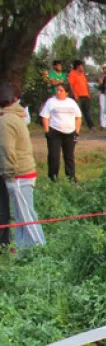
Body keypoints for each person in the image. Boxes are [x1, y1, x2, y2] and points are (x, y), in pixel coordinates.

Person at [0, 83, 46, 249]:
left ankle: (40, 249)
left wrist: (8, 173)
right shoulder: (15, 117)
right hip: (22, 172)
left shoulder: (6, 120)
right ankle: (23, 251)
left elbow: (7, 149)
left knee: (27, 216)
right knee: (20, 216)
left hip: (19, 174)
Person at [40, 84, 81, 182]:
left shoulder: (72, 103)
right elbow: (45, 117)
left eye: (61, 90)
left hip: (70, 133)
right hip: (55, 132)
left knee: (69, 156)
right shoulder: (51, 102)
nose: (58, 92)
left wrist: (77, 132)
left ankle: (71, 177)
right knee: (54, 156)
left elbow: (78, 117)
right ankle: (53, 178)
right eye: (57, 90)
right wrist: (47, 131)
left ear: (67, 92)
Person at [68, 60, 94, 130]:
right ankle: (73, 126)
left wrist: (88, 93)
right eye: (81, 66)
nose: (82, 67)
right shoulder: (72, 73)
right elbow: (71, 85)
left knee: (87, 111)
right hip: (78, 96)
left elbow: (86, 84)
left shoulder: (82, 74)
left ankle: (91, 126)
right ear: (78, 66)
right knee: (76, 111)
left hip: (85, 95)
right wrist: (74, 94)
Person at [97, 64, 106, 131]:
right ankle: (103, 125)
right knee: (103, 109)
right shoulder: (101, 75)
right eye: (104, 68)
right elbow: (100, 83)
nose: (105, 69)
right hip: (103, 93)